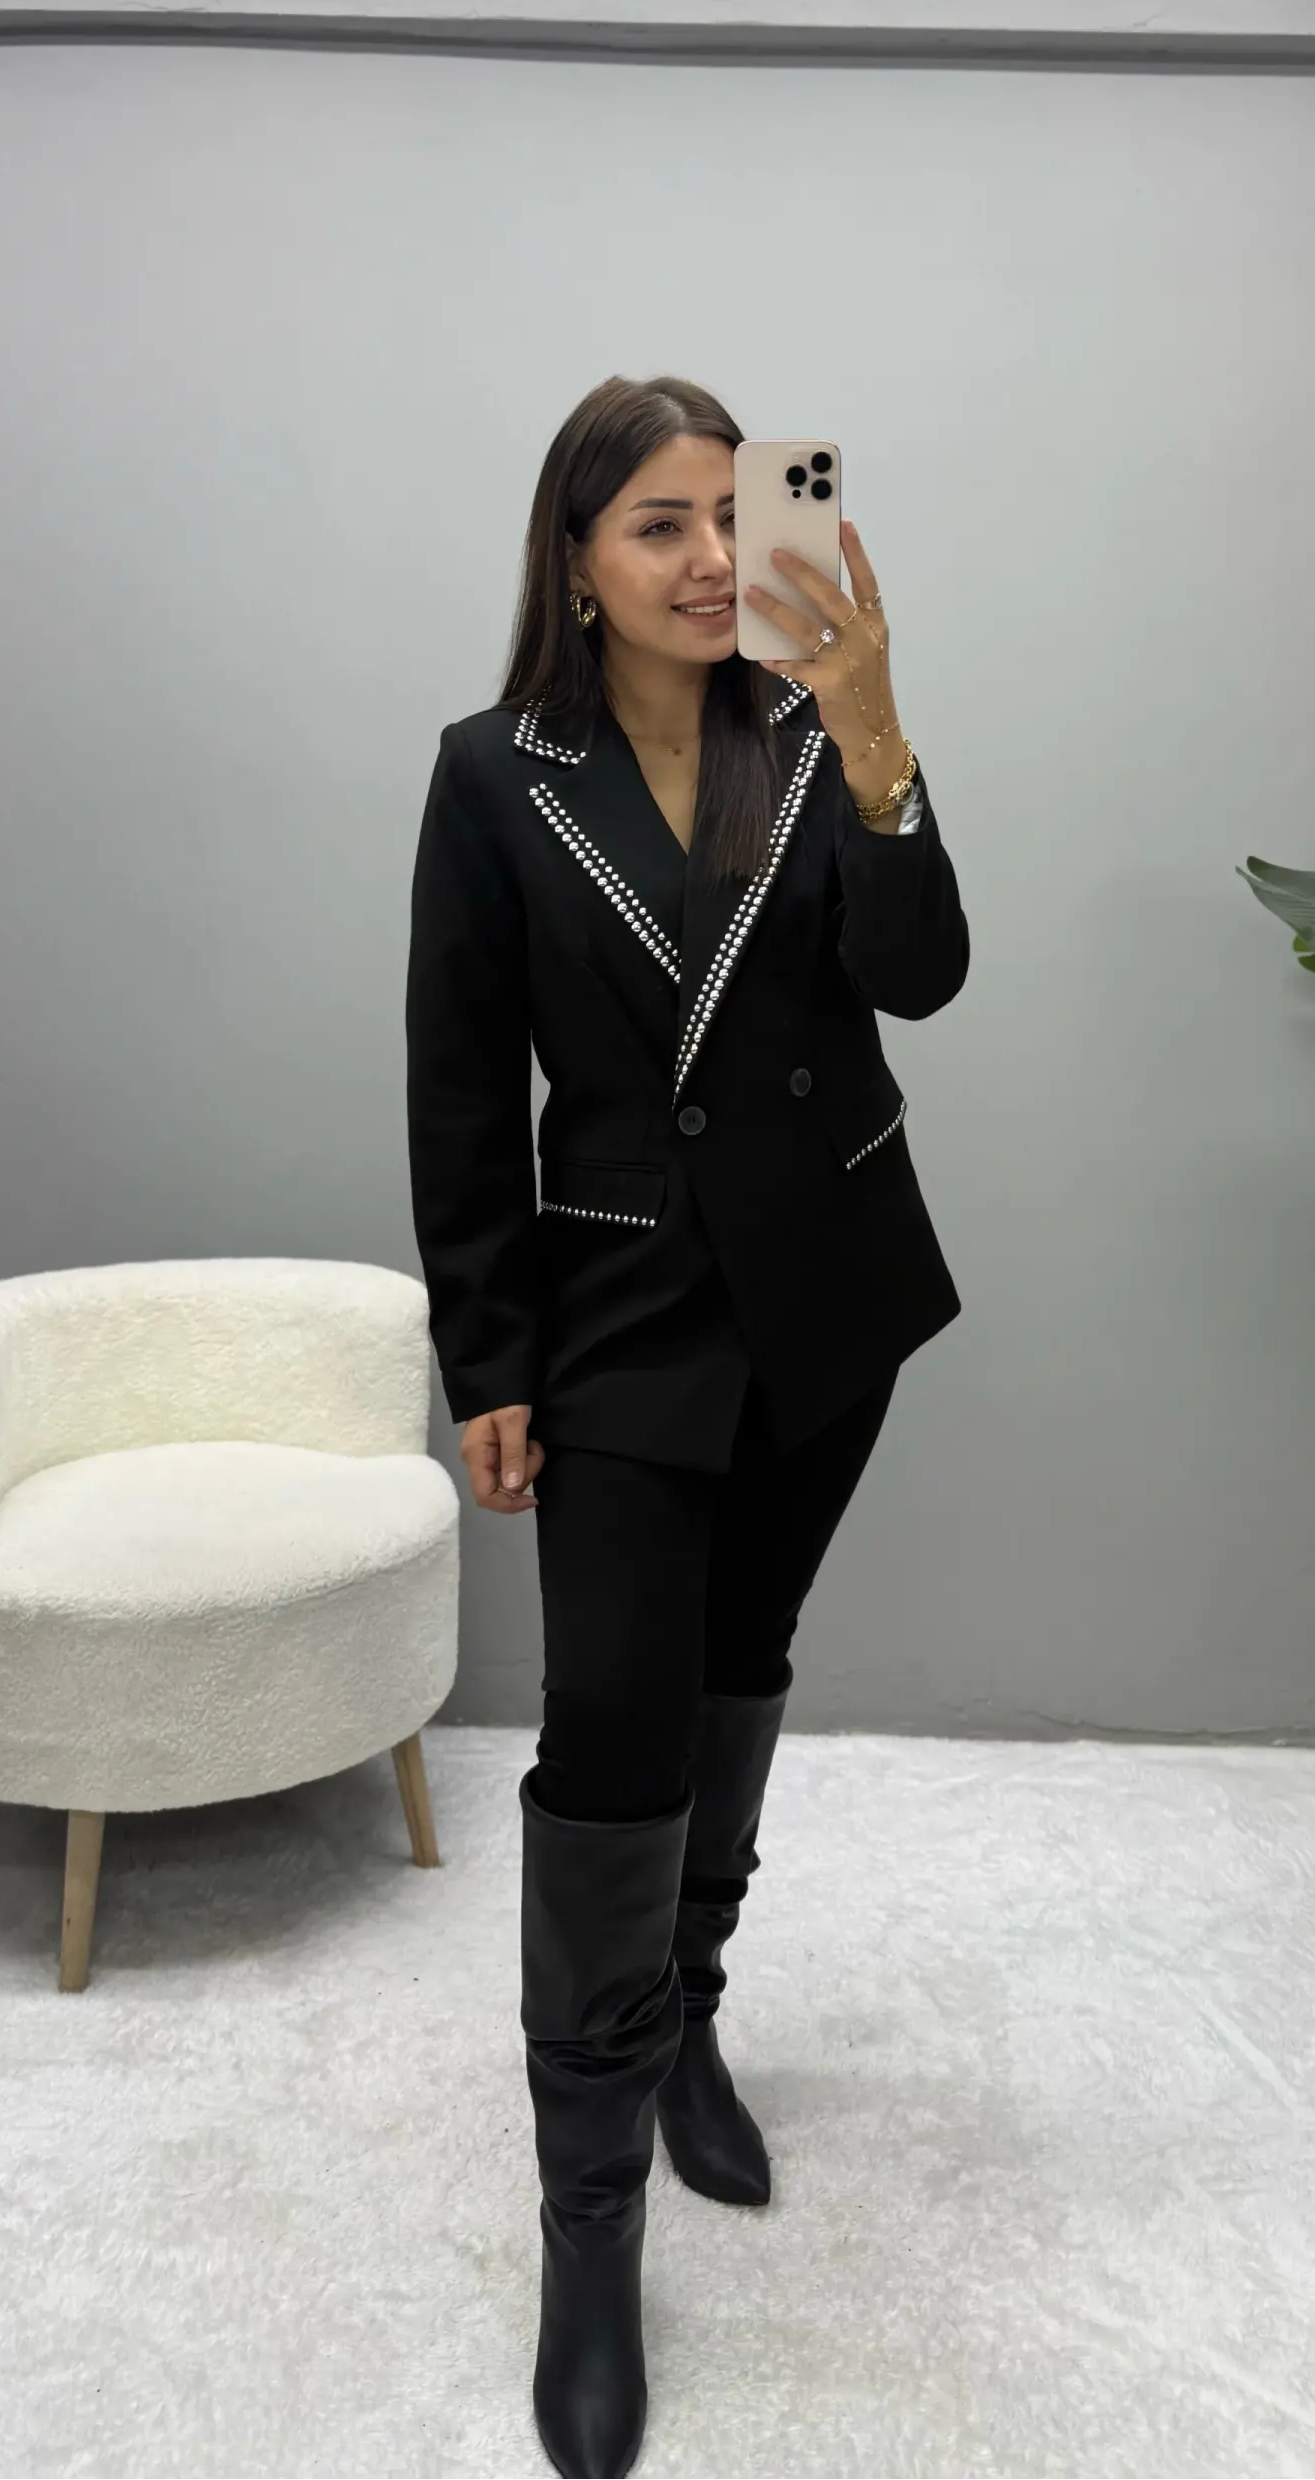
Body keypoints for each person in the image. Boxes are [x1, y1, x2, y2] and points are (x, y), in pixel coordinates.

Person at [404, 374, 970, 2480]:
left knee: (740, 1669)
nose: (717, 557)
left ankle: (687, 2028)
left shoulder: (809, 730)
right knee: (610, 1744)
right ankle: (589, 2234)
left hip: (826, 1296)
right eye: (663, 523)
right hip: (622, 1311)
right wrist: (490, 1360)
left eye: (736, 511)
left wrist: (882, 735)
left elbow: (922, 976)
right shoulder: (494, 776)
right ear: (577, 561)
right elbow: (461, 1082)